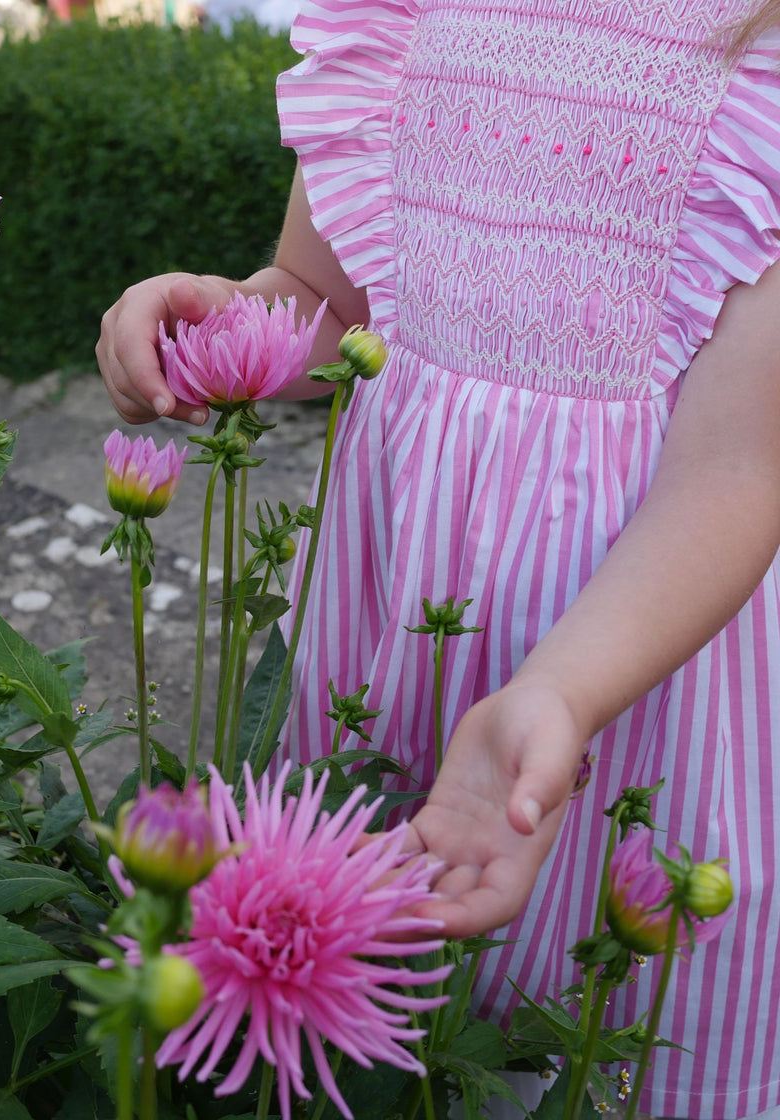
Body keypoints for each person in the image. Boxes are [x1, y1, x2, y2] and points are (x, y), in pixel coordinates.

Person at [97, 1, 780, 1115]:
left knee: (582, 1033)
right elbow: (330, 305)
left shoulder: (757, 61)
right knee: (352, 1022)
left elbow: (735, 474)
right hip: (391, 633)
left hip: (619, 673)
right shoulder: (403, 13)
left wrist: (558, 690)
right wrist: (224, 321)